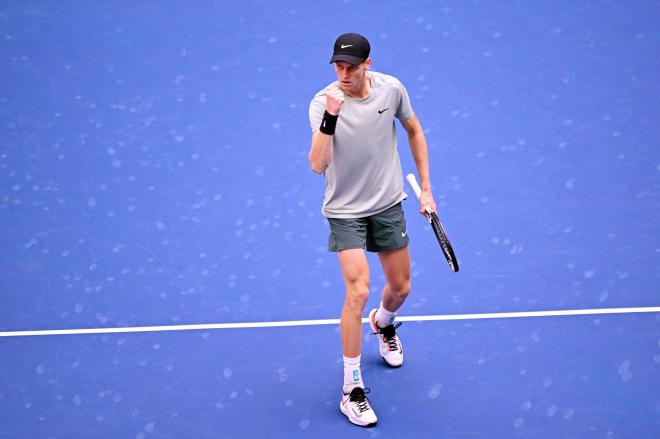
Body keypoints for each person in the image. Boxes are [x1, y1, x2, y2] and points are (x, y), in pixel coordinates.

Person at [307, 32, 436, 427]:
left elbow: (414, 129)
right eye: (338, 66)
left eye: (350, 66)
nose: (343, 74)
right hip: (345, 211)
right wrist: (331, 118)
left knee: (401, 289)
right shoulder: (322, 102)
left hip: (387, 204)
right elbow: (317, 164)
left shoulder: (391, 89)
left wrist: (426, 188)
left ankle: (383, 323)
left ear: (368, 64)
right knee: (358, 289)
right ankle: (352, 390)